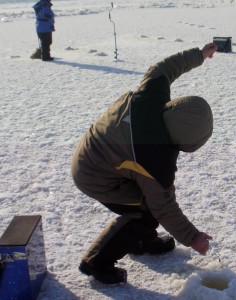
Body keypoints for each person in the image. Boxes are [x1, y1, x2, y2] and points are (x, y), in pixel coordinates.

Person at [71, 43, 218, 285]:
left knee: (146, 201)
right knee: (145, 213)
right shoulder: (155, 159)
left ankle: (141, 241)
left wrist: (198, 55)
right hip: (95, 175)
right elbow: (164, 207)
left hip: (94, 151)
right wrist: (193, 237)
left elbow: (166, 67)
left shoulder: (152, 95)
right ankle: (97, 261)